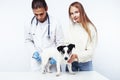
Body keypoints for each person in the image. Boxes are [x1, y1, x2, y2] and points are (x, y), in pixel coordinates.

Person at [24, 0, 64, 71]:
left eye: (41, 14)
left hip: (52, 62)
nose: (39, 17)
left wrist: (55, 55)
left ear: (46, 8)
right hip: (37, 63)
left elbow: (60, 43)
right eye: (36, 14)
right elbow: (28, 40)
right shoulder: (29, 24)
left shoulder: (56, 23)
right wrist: (34, 52)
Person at [64, 1, 97, 71]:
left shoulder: (91, 28)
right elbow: (66, 44)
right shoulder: (71, 28)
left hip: (86, 63)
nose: (74, 15)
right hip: (71, 62)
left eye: (76, 12)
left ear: (82, 12)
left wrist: (76, 56)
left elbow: (91, 51)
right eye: (72, 13)